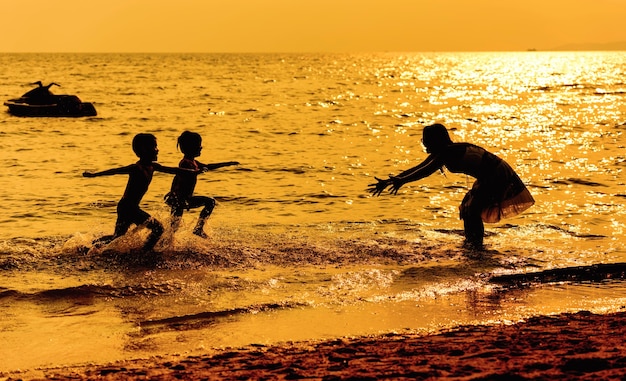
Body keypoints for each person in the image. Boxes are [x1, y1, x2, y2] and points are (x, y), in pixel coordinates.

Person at [369, 123, 534, 249]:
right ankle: (472, 243)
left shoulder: (448, 152)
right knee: (468, 208)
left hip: (497, 175)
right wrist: (392, 180)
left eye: (426, 140)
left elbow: (425, 172)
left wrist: (401, 181)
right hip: (489, 175)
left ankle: (476, 246)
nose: (424, 143)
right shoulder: (443, 152)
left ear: (435, 141)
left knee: (472, 210)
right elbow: (418, 168)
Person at [83, 133, 199, 252]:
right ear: (144, 149)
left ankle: (91, 246)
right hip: (127, 207)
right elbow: (114, 171)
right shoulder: (136, 168)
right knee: (158, 229)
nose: (157, 150)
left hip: (128, 207)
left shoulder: (153, 166)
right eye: (154, 147)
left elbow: (173, 170)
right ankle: (145, 252)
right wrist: (94, 175)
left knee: (118, 236)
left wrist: (192, 172)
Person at [165, 131, 239, 238]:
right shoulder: (185, 162)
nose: (201, 148)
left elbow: (209, 166)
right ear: (191, 147)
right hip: (180, 199)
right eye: (198, 145)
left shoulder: (194, 162)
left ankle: (197, 229)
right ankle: (196, 229)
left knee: (174, 227)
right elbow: (179, 175)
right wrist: (173, 192)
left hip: (185, 198)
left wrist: (227, 163)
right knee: (174, 227)